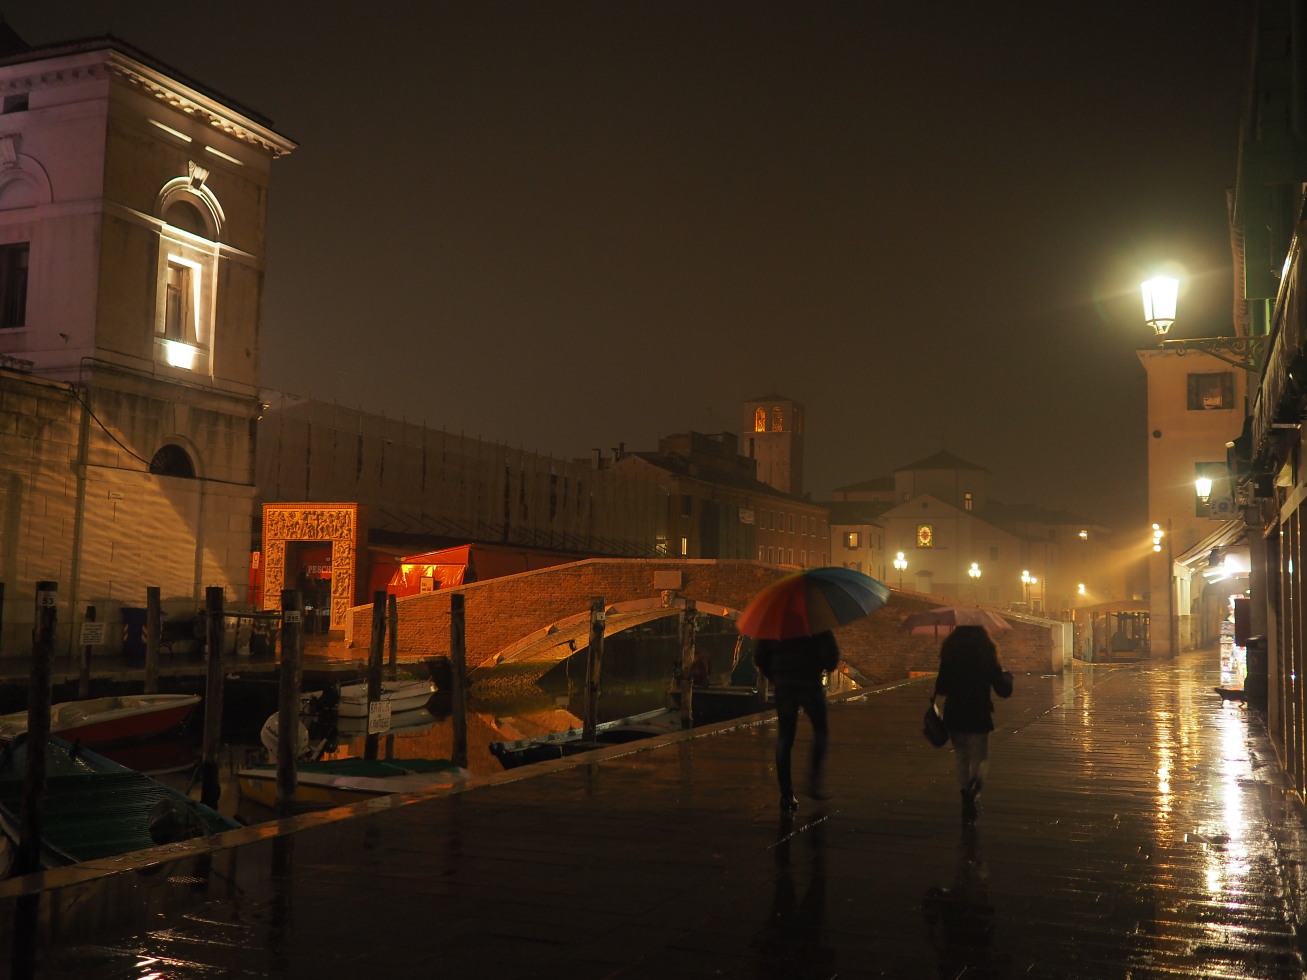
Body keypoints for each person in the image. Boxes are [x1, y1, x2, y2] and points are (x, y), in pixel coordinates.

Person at [933, 625, 1013, 825]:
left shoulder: (950, 658)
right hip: (979, 713)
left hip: (955, 713)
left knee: (961, 755)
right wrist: (1006, 675)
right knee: (981, 757)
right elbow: (1003, 691)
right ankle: (975, 788)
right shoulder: (987, 657)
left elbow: (941, 688)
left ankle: (964, 793)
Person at [755, 630, 840, 810]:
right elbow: (831, 659)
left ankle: (786, 795)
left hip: (784, 685)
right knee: (821, 731)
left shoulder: (775, 623)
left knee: (785, 739)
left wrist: (777, 677)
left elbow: (760, 658)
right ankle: (814, 782)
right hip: (810, 684)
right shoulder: (815, 619)